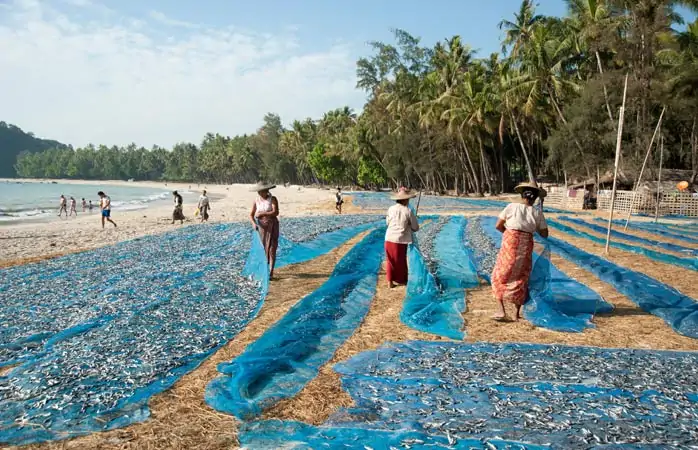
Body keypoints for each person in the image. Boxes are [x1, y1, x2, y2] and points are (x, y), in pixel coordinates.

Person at [491, 182, 549, 322]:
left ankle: (501, 310)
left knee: (500, 274)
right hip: (526, 244)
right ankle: (516, 314)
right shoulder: (537, 212)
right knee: (521, 277)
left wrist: (510, 235)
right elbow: (544, 234)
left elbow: (498, 225)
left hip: (510, 243)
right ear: (535, 198)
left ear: (522, 196)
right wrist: (536, 220)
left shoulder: (511, 207)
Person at [384, 188, 420, 288]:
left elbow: (387, 222)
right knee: (400, 261)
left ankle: (390, 281)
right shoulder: (408, 211)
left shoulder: (391, 209)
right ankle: (402, 280)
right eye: (407, 199)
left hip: (388, 238)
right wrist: (412, 220)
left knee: (390, 260)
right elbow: (415, 228)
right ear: (405, 200)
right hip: (399, 240)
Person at [249, 182, 279, 280]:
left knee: (272, 248)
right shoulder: (256, 201)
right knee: (263, 248)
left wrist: (263, 213)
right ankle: (264, 269)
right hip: (261, 227)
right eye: (259, 192)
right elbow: (251, 215)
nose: (261, 193)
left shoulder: (273, 199)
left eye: (263, 191)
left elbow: (276, 212)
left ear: (267, 191)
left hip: (272, 225)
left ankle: (271, 272)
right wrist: (253, 223)